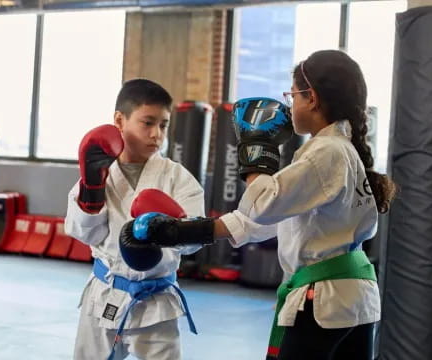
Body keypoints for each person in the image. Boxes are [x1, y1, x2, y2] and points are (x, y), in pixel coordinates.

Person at [120, 50, 397, 360]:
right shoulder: (343, 151)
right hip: (355, 298)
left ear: (313, 98)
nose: (290, 104)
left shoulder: (326, 152)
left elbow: (264, 204)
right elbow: (270, 220)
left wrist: (255, 147)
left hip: (323, 301)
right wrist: (187, 231)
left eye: (293, 95)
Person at [64, 78, 206, 360]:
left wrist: (172, 227)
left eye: (164, 125)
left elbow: (195, 241)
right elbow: (83, 234)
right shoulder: (98, 173)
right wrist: (91, 191)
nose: (157, 134)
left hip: (156, 303)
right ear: (119, 120)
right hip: (104, 295)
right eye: (148, 123)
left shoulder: (177, 177)